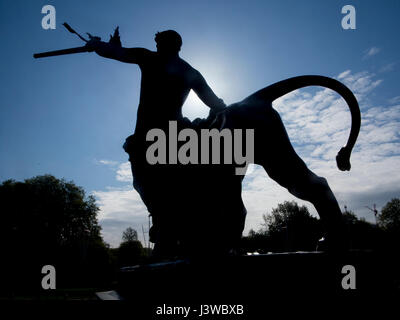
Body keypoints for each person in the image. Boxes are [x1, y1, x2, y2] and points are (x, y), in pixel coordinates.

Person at [89, 30, 244, 258]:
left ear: (170, 45)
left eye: (161, 42)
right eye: (158, 42)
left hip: (159, 136)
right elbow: (216, 102)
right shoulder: (188, 71)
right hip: (171, 135)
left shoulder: (150, 58)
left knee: (150, 185)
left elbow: (115, 53)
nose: (159, 46)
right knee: (153, 186)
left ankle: (169, 232)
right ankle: (170, 229)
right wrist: (104, 46)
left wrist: (99, 45)